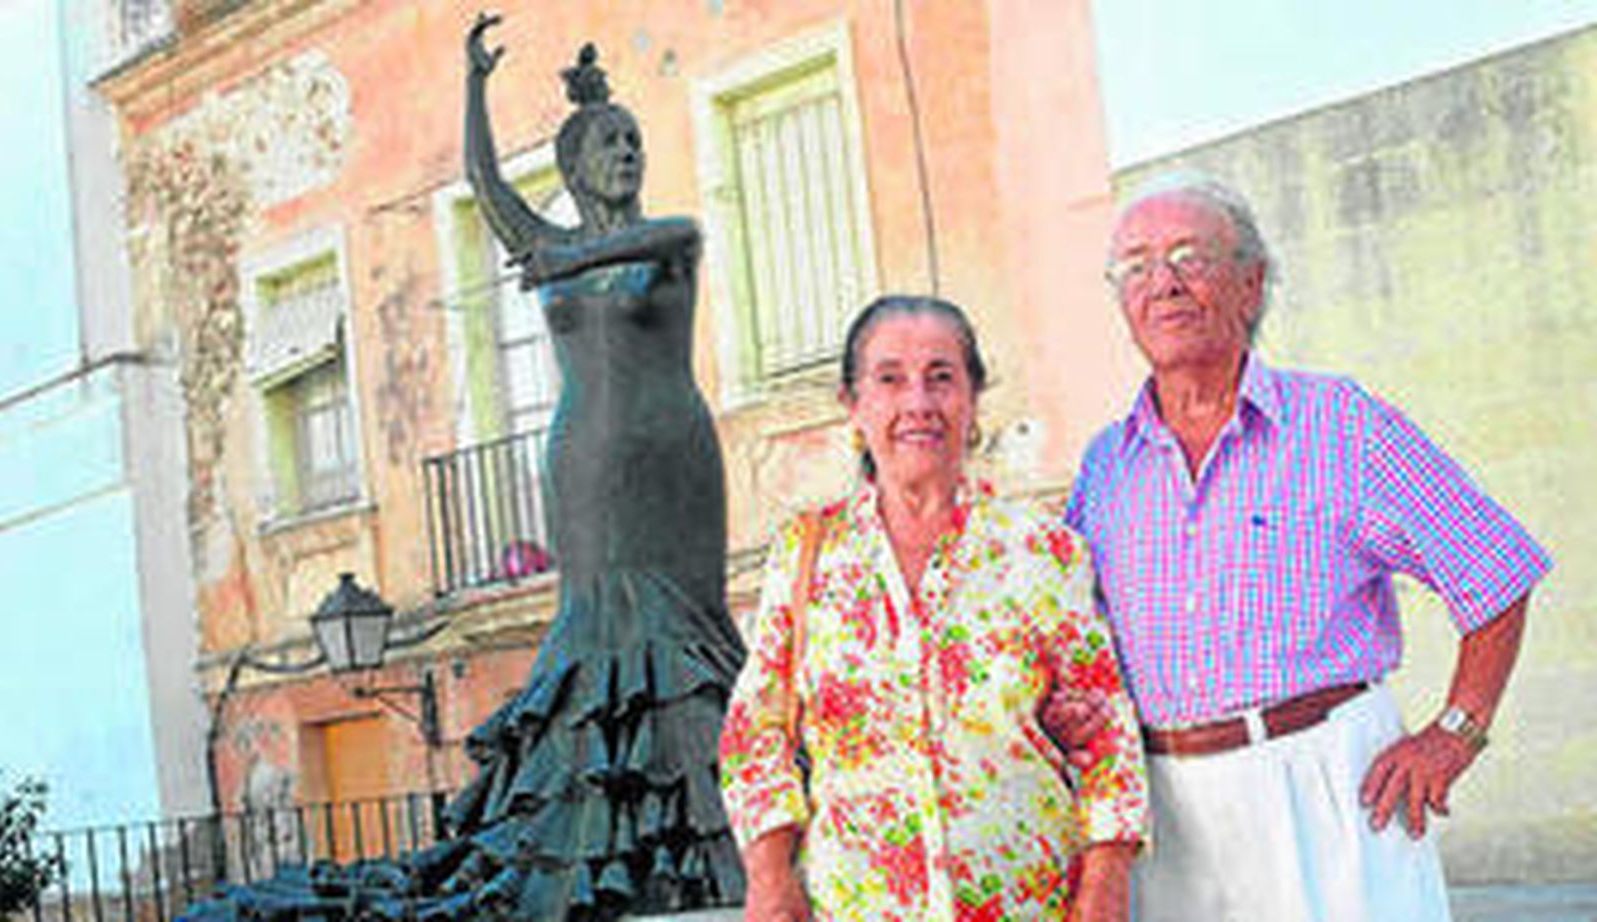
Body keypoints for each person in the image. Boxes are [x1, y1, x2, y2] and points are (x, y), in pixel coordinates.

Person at [1054, 173, 1552, 922]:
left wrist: (1457, 733)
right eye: (1136, 266)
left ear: (1251, 284)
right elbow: (1077, 643)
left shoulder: (1340, 424)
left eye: (1190, 257)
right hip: (1165, 811)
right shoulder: (1103, 465)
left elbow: (1496, 570)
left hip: (1327, 785)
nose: (1163, 283)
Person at [442, 18, 747, 918]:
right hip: (585, 462)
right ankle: (606, 849)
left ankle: (725, 841)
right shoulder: (546, 239)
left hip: (673, 459)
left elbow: (640, 242)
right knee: (597, 627)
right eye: (609, 143)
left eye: (633, 140)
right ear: (574, 167)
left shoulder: (671, 238)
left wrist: (559, 257)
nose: (626, 153)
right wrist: (474, 86)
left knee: (687, 635)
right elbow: (485, 186)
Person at [720, 295, 1150, 922]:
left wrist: (1105, 883)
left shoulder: (1043, 550)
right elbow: (755, 728)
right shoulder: (807, 554)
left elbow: (1107, 730)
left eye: (941, 377)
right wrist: (769, 876)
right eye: (890, 379)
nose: (918, 402)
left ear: (973, 398)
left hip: (1028, 904)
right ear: (853, 404)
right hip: (858, 907)